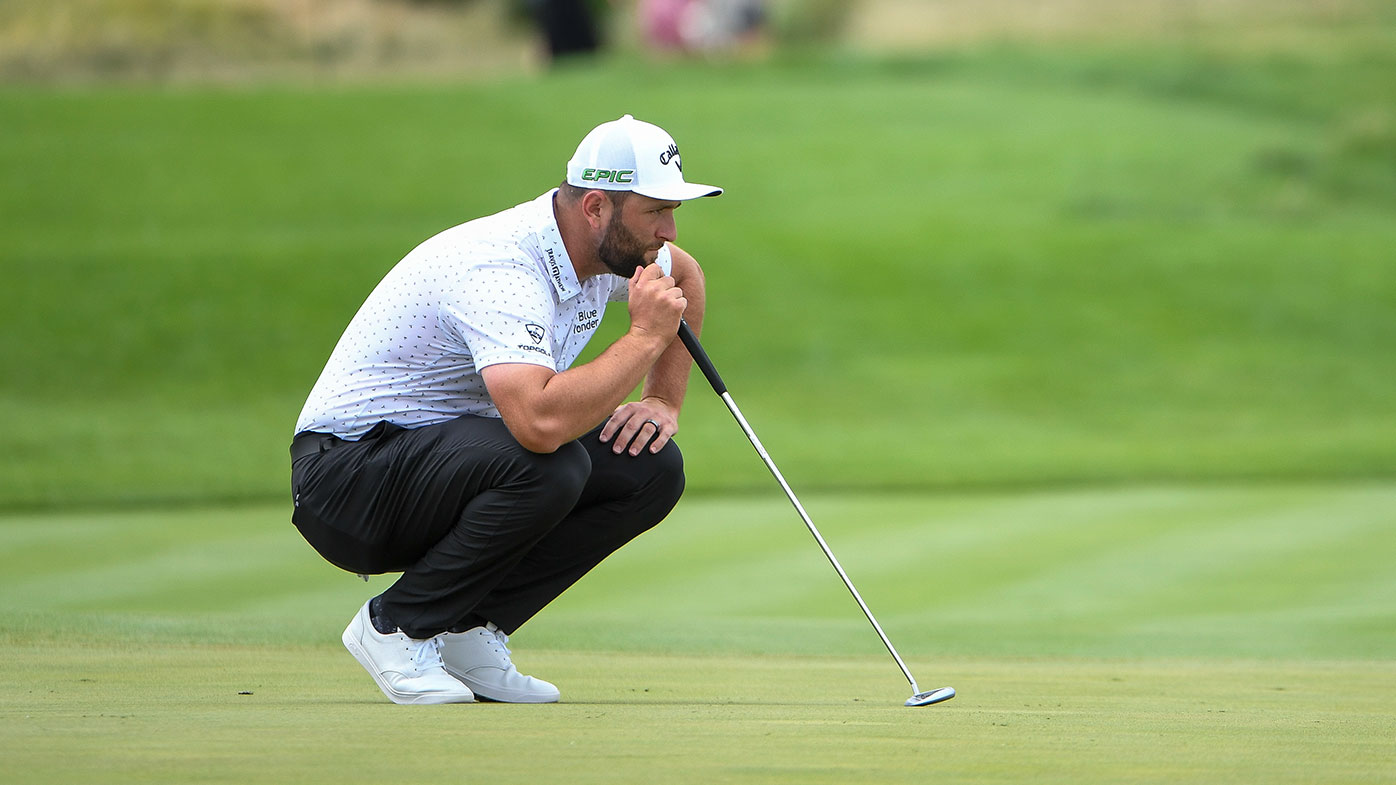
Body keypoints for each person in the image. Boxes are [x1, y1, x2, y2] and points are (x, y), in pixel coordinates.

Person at [290, 115, 721, 705]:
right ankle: (395, 625)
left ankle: (470, 629)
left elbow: (687, 278)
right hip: (347, 478)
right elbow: (539, 424)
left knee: (649, 466)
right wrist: (645, 337)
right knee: (551, 461)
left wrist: (661, 400)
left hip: (443, 461)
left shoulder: (611, 254)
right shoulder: (499, 266)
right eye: (655, 212)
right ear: (595, 207)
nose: (669, 231)